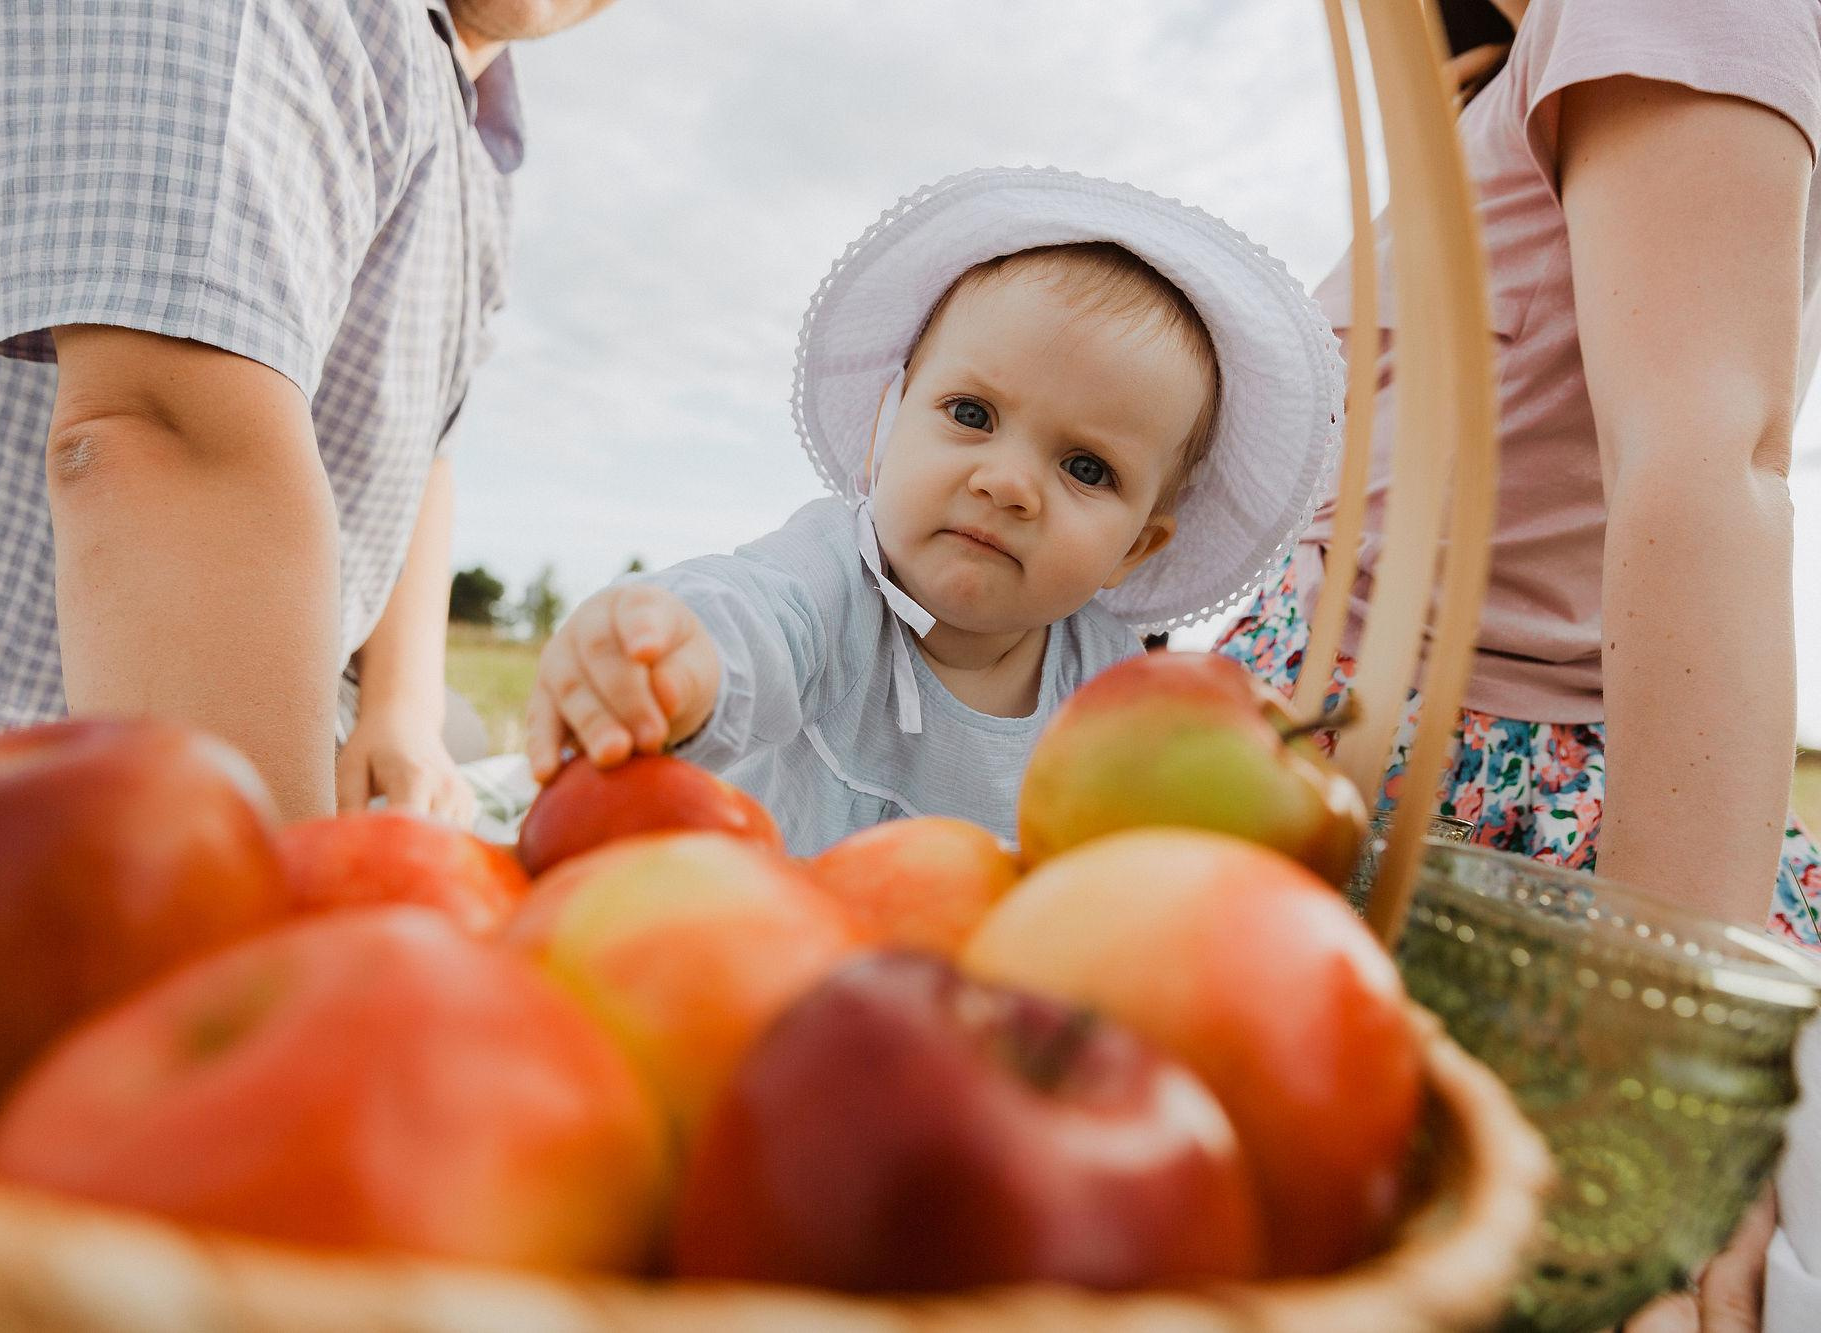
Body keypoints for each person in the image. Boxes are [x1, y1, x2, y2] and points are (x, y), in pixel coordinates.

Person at [1209, 1, 1821, 1328]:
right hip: (1326, 834)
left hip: (1498, 886)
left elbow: (1704, 470)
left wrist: (1663, 1072)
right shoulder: (1485, 87)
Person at [0, 0, 619, 826]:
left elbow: (426, 454)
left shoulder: (478, 162)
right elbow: (162, 440)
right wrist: (271, 899)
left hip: (176, 745)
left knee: (455, 728)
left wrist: (403, 707)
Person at [522, 167, 1345, 854]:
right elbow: (756, 613)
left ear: (1136, 547)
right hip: (758, 950)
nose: (1008, 483)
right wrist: (683, 654)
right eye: (972, 414)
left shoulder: (1105, 680)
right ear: (885, 429)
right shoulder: (835, 578)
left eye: (1086, 468)